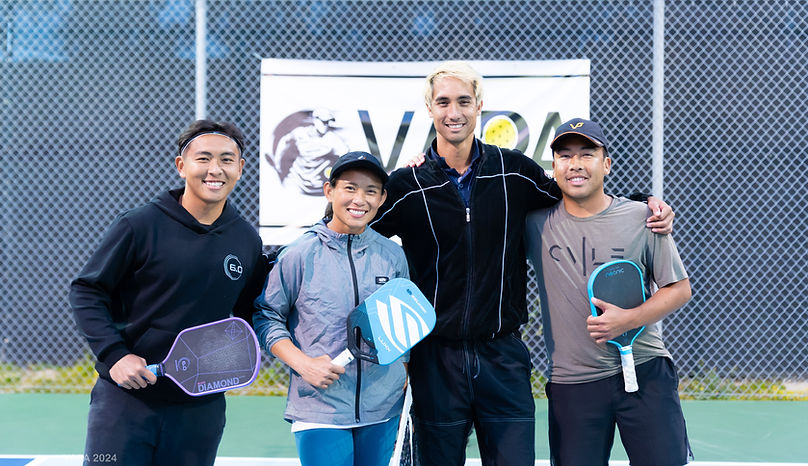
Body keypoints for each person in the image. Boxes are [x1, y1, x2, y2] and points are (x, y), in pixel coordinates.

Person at [370, 61, 675, 466]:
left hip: (502, 357)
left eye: (463, 100)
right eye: (443, 102)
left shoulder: (513, 170)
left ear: (479, 105)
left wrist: (641, 202)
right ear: (429, 108)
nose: (453, 111)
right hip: (436, 360)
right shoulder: (407, 185)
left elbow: (575, 194)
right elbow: (354, 222)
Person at [69, 120, 267, 466]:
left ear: (240, 169)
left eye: (226, 160)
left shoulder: (246, 240)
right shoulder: (139, 224)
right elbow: (87, 290)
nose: (215, 170)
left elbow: (247, 314)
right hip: (126, 400)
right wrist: (115, 356)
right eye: (203, 159)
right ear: (181, 166)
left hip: (200, 407)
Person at [524, 118, 693, 466]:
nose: (576, 164)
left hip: (645, 370)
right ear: (553, 167)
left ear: (606, 165)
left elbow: (679, 288)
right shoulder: (533, 223)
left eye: (587, 154)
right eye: (565, 155)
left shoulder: (642, 217)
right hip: (573, 383)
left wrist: (629, 320)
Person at [253, 151, 410, 466]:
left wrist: (403, 375)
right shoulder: (298, 254)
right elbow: (267, 316)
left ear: (382, 199)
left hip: (383, 407)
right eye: (350, 188)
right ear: (329, 191)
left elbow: (401, 325)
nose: (359, 199)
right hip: (319, 407)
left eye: (370, 191)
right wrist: (303, 364)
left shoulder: (392, 255)